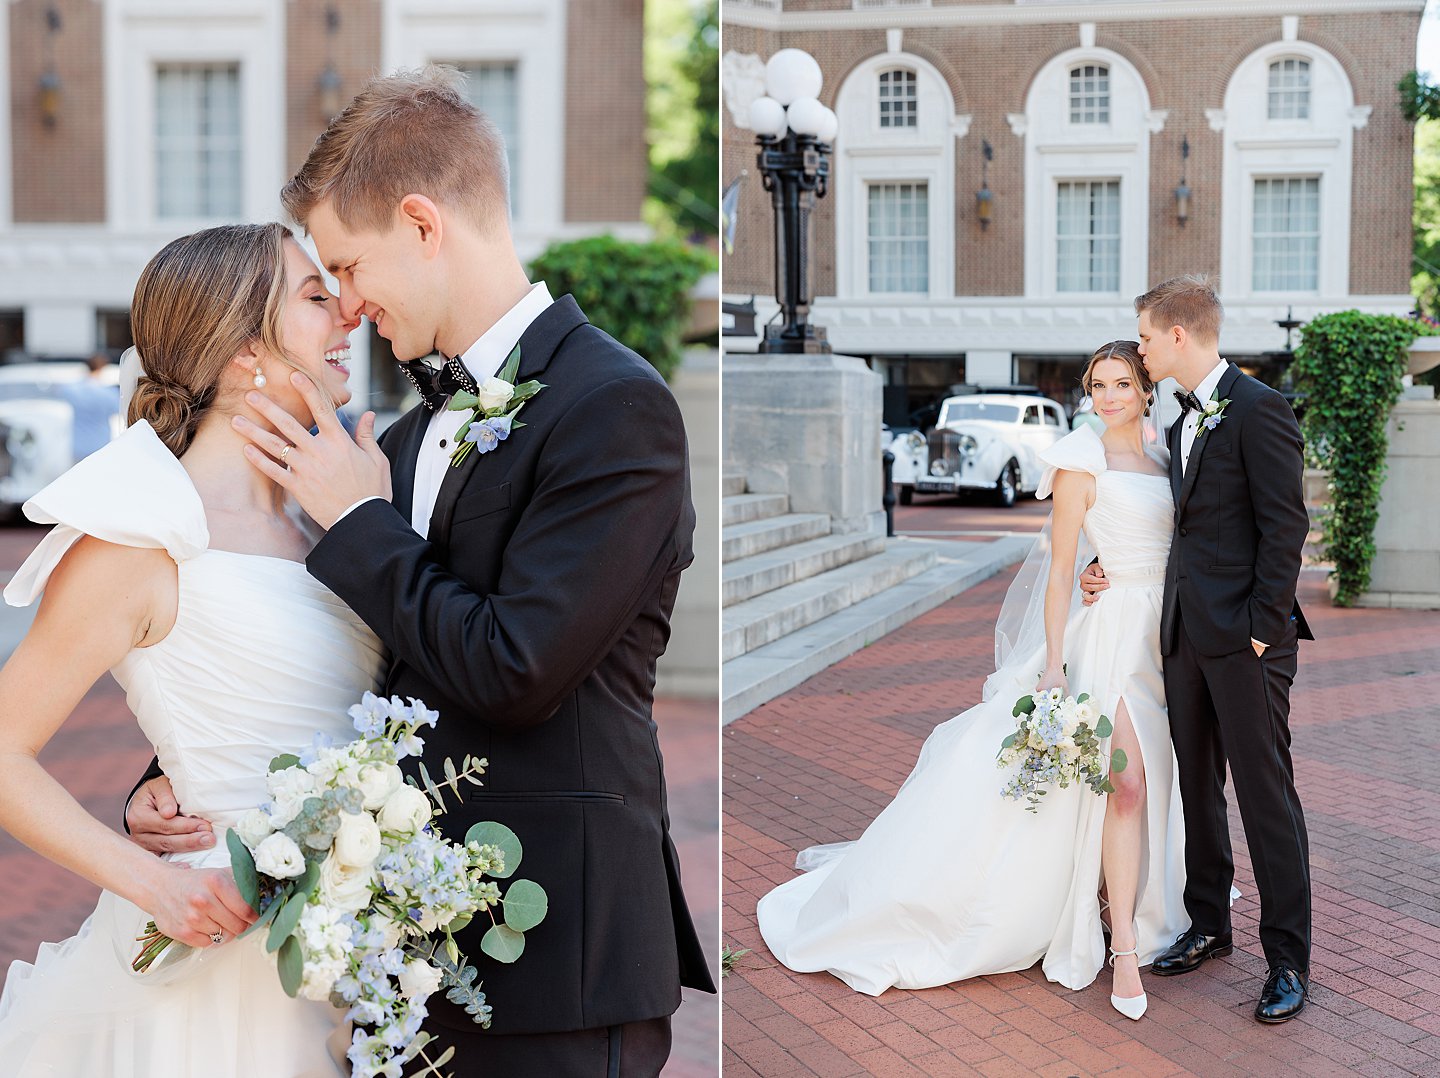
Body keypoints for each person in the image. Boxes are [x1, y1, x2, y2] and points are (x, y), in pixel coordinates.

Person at [126, 67, 714, 1075]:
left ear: (423, 223)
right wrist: (177, 775)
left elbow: (516, 668)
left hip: (557, 954)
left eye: (349, 266)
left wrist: (356, 516)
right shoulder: (398, 437)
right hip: (400, 957)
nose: (347, 305)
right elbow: (333, 646)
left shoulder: (617, 408)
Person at [0, 222, 383, 1075]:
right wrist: (156, 885)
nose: (348, 315)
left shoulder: (332, 516)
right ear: (248, 349)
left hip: (349, 959)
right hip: (208, 964)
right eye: (317, 298)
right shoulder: (142, 536)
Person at [756, 341, 1187, 1019]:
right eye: (1097, 384)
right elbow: (1061, 567)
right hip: (1106, 640)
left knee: (1148, 782)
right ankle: (1125, 950)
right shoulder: (1081, 460)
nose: (1108, 396)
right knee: (1125, 781)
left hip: (1165, 638)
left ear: (1145, 391)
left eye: (1122, 385)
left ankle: (1115, 899)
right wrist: (1052, 661)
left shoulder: (1169, 458)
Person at [1083, 275, 1313, 1024]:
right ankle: (1208, 924)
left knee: (1264, 795)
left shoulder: (1259, 409)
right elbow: (1174, 526)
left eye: (1144, 337)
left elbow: (1286, 528)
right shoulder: (1177, 421)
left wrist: (1258, 627)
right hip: (1179, 635)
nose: (1140, 348)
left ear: (1177, 336)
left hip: (1247, 641)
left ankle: (1287, 960)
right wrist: (1101, 568)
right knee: (1196, 792)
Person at [59, 352, 121, 460]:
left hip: (78, 447)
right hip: (101, 447)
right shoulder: (108, 394)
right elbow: (118, 410)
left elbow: (59, 393)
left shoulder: (72, 390)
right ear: (102, 369)